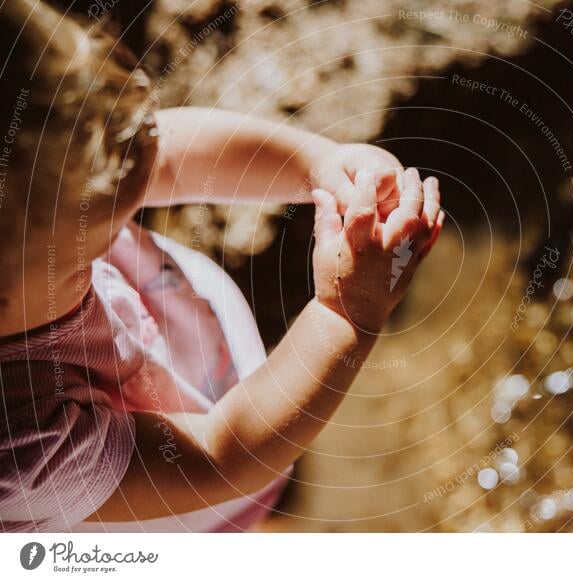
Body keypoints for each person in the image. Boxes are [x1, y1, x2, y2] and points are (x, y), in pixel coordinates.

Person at [0, 0, 443, 532]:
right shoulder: (22, 448)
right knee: (259, 494)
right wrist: (348, 313)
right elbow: (218, 459)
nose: (119, 239)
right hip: (194, 501)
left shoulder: (43, 196)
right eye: (95, 251)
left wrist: (317, 165)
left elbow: (165, 157)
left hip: (198, 360)